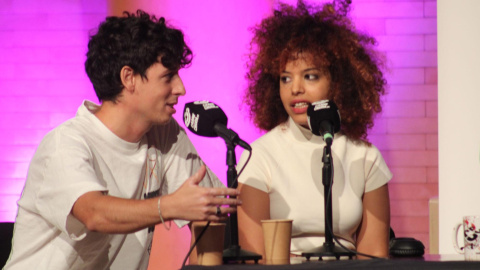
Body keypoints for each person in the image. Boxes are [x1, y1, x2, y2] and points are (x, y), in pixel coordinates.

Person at [4, 10, 240, 270]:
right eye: (168, 76)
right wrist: (169, 206)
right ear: (128, 78)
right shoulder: (66, 144)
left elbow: (210, 208)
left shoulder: (163, 133)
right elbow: (93, 213)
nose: (181, 89)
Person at [237, 0, 392, 260]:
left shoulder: (366, 158)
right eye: (285, 78)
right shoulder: (259, 156)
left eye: (310, 76)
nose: (295, 88)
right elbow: (256, 258)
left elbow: (374, 257)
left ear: (338, 82)